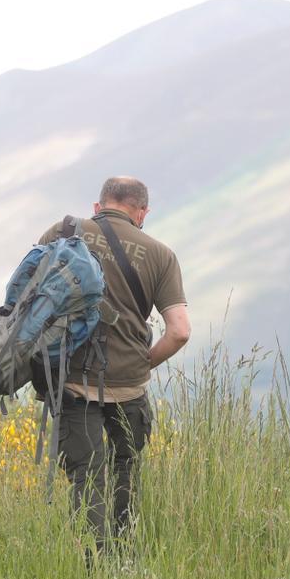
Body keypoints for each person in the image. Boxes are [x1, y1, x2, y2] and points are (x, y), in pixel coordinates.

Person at [37, 176, 190, 554]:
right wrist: (143, 363)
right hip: (129, 387)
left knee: (87, 480)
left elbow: (30, 299)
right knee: (126, 473)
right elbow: (180, 332)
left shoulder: (64, 231)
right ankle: (124, 557)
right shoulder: (160, 255)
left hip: (73, 384)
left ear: (98, 206)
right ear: (142, 212)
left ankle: (95, 566)